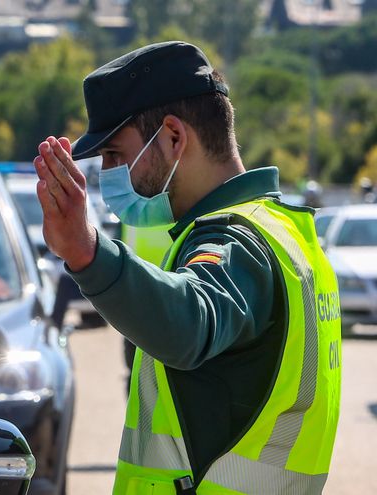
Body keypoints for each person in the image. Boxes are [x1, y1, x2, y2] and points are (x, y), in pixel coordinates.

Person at [34, 41, 341, 493]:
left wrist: (86, 251)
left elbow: (190, 323)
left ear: (174, 137)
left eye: (116, 155)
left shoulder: (237, 242)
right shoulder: (284, 231)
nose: (108, 172)